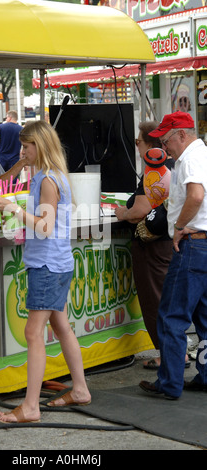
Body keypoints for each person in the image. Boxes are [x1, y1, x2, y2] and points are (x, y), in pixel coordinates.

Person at [0, 120, 91, 423]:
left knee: (34, 332)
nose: (22, 151)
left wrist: (13, 210)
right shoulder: (53, 176)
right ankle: (80, 389)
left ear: (40, 146)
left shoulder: (46, 179)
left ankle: (31, 406)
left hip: (46, 264)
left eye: (26, 146)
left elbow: (44, 227)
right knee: (61, 327)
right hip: (57, 263)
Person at [139, 111, 207, 400]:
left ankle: (169, 382)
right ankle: (204, 375)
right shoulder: (200, 153)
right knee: (203, 317)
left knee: (171, 316)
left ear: (182, 134)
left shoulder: (190, 158)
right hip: (202, 241)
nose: (164, 148)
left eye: (166, 141)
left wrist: (178, 227)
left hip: (192, 242)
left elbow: (195, 195)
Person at [115, 121, 176, 369]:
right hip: (170, 242)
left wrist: (121, 213)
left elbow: (139, 210)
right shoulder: (171, 165)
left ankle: (167, 355)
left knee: (155, 300)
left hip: (153, 245)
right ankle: (174, 353)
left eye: (138, 141)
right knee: (168, 299)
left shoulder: (154, 170)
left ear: (148, 144)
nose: (136, 145)